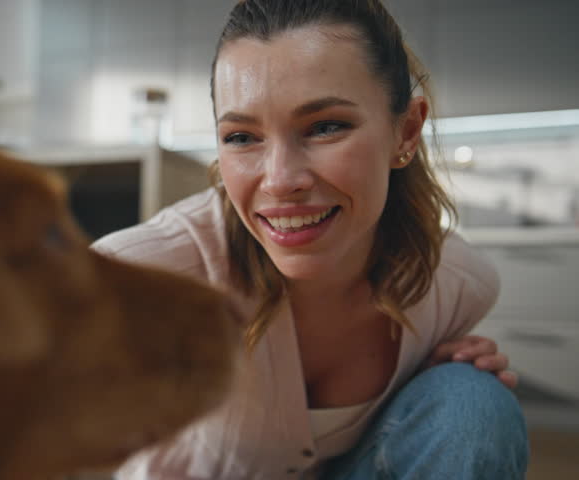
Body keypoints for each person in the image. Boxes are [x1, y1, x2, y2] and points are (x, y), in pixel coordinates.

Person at [92, 0, 529, 478]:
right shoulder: (151, 270)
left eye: (326, 127)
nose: (280, 180)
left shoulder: (457, 284)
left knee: (470, 400)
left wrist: (435, 384)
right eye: (241, 137)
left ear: (406, 131)